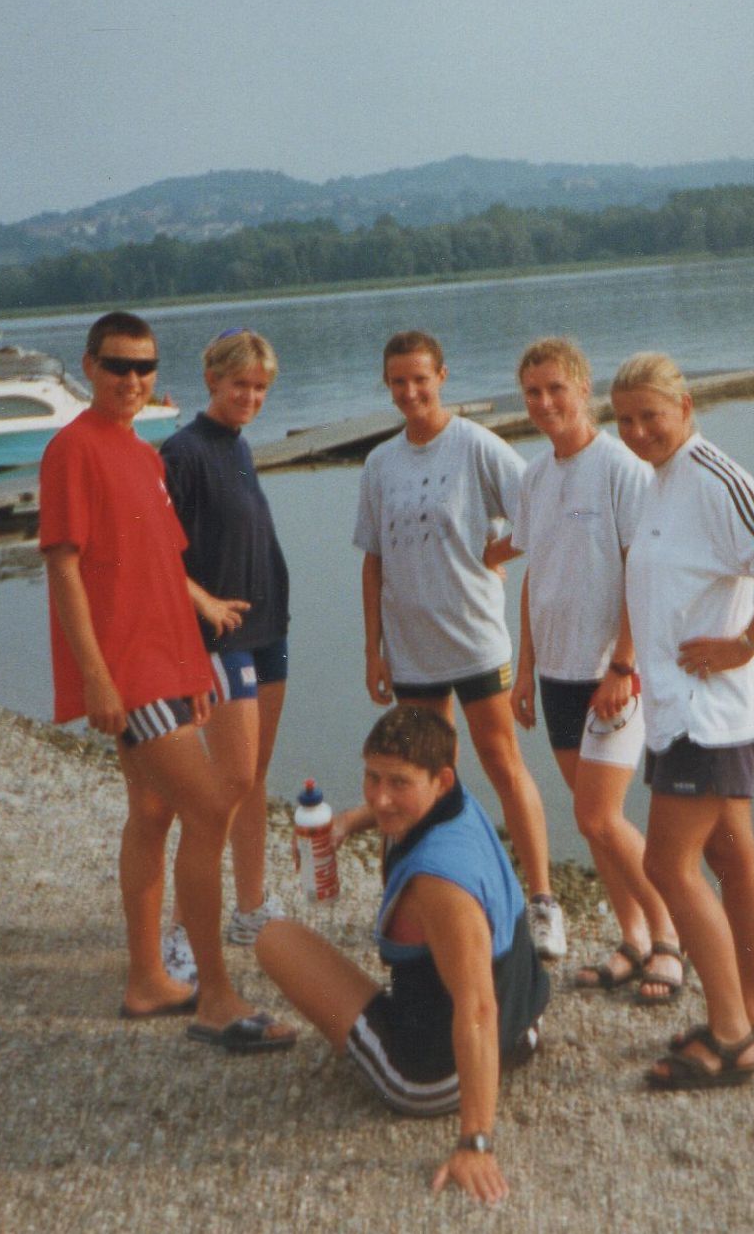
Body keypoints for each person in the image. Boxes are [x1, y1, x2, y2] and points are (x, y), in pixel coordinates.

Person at [39, 310, 295, 1053]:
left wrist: (193, 665)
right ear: (88, 366)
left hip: (167, 667)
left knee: (153, 815)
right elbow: (62, 567)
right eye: (118, 366)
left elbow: (161, 573)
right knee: (212, 805)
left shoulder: (144, 455)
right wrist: (96, 678)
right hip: (127, 673)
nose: (131, 380)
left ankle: (147, 977)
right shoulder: (71, 451)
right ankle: (215, 995)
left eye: (144, 367)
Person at [610, 352, 754, 1090]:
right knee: (729, 857)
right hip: (681, 708)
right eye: (625, 419)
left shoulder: (711, 474)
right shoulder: (659, 483)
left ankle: (728, 1035)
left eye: (649, 416)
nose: (636, 431)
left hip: (713, 712)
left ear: (685, 407)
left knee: (667, 864)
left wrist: (746, 642)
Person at [254, 705, 549, 1207]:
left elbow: (477, 1008)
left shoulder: (439, 883)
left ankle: (458, 1109)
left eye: (398, 783)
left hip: (432, 1075)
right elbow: (395, 803)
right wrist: (352, 820)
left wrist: (475, 1142)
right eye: (372, 777)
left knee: (273, 938)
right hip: (521, 1029)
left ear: (440, 779)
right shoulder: (456, 803)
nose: (381, 797)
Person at [354, 330, 567, 960]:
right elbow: (373, 561)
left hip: (474, 639)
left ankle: (543, 901)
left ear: (442, 376)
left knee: (502, 763)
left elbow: (541, 506)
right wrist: (374, 649)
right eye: (398, 381)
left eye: (421, 378)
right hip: (412, 647)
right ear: (388, 385)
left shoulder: (475, 446)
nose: (410, 391)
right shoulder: (379, 463)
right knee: (414, 778)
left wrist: (497, 550)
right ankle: (415, 891)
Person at [505, 337, 684, 1003]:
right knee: (588, 822)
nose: (545, 402)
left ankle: (667, 938)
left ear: (583, 389)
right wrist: (523, 670)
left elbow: (641, 568)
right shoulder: (534, 476)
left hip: (611, 672)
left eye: (556, 388)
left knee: (602, 816)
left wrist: (623, 662)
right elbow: (533, 576)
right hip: (554, 672)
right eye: (532, 392)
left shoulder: (619, 468)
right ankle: (631, 938)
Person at [158, 328, 291, 979]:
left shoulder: (237, 446)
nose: (250, 396)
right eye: (240, 384)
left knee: (255, 775)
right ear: (211, 379)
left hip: (269, 629)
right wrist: (202, 603)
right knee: (224, 785)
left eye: (261, 387)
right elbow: (156, 555)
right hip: (223, 637)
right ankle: (181, 931)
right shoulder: (182, 451)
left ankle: (251, 905)